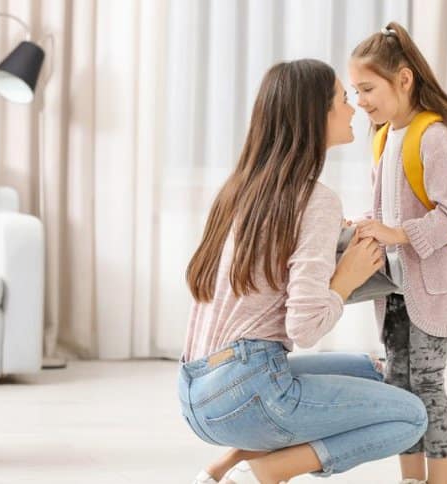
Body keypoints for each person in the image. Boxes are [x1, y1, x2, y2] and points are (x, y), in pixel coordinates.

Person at [179, 58, 428, 484]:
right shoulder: (315, 200)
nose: (354, 109)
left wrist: (332, 248)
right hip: (251, 390)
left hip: (197, 393)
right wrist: (345, 276)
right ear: (316, 115)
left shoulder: (240, 189)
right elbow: (306, 327)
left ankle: (220, 469)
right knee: (411, 416)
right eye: (343, 99)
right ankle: (264, 472)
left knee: (377, 371)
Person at [349, 22, 447, 484]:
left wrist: (398, 233)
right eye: (355, 91)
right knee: (398, 386)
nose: (360, 100)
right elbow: (383, 206)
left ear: (403, 80)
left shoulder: (433, 137)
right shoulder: (385, 136)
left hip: (434, 287)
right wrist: (367, 226)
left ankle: (440, 480)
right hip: (394, 288)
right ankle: (411, 478)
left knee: (428, 385)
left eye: (367, 88)